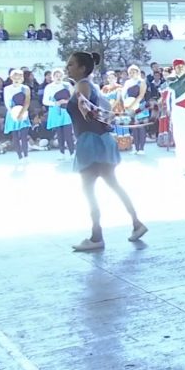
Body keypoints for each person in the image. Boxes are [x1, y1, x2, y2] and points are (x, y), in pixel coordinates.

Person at [65, 51, 147, 252]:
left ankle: (97, 236)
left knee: (89, 189)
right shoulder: (90, 85)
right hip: (99, 140)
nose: (68, 67)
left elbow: (85, 106)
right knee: (112, 185)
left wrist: (87, 111)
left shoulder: (82, 85)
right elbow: (101, 110)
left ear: (82, 68)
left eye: (71, 64)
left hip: (91, 142)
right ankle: (136, 223)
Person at [43, 69, 75, 159]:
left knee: (68, 133)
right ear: (53, 77)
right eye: (56, 76)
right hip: (55, 111)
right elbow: (45, 101)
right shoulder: (49, 87)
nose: (58, 77)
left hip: (66, 111)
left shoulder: (67, 85)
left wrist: (67, 101)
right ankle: (62, 153)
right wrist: (55, 103)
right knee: (59, 133)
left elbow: (74, 97)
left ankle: (72, 153)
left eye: (60, 76)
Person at [3, 69, 31, 167]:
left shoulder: (25, 88)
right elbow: (7, 102)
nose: (17, 79)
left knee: (23, 136)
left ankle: (26, 155)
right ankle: (20, 157)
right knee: (15, 136)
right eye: (15, 77)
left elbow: (27, 102)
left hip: (23, 113)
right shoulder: (7, 89)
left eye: (19, 77)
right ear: (11, 78)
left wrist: (22, 113)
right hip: (12, 114)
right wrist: (13, 113)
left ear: (22, 78)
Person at [123, 65, 150, 155]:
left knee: (141, 127)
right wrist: (126, 104)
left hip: (140, 106)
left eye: (133, 72)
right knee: (134, 127)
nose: (131, 74)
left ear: (138, 72)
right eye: (130, 72)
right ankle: (136, 147)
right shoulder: (127, 83)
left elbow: (141, 95)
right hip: (130, 106)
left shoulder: (141, 82)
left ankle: (141, 148)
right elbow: (124, 95)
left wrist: (133, 104)